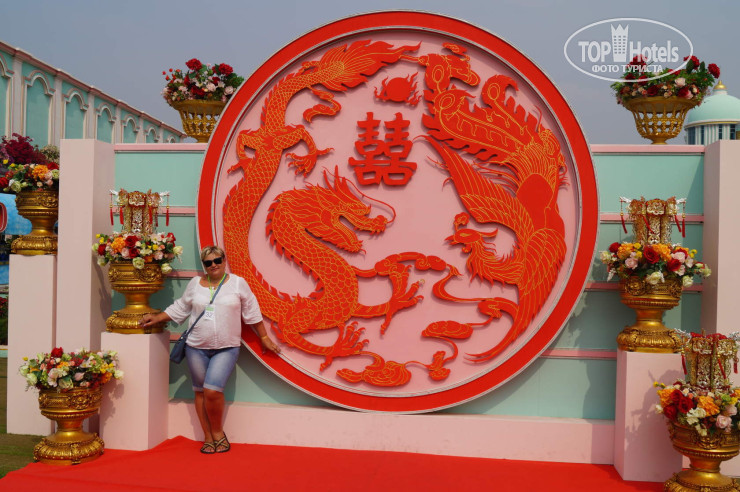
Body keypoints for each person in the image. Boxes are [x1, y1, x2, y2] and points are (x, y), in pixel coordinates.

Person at [139, 245, 280, 454]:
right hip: (196, 347)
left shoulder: (238, 283)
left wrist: (264, 337)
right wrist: (158, 317)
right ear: (204, 265)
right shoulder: (195, 284)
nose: (213, 265)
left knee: (212, 391)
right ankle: (207, 436)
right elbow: (181, 307)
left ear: (224, 260)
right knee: (200, 391)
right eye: (208, 262)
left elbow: (252, 311)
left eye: (217, 260)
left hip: (227, 347)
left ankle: (217, 432)